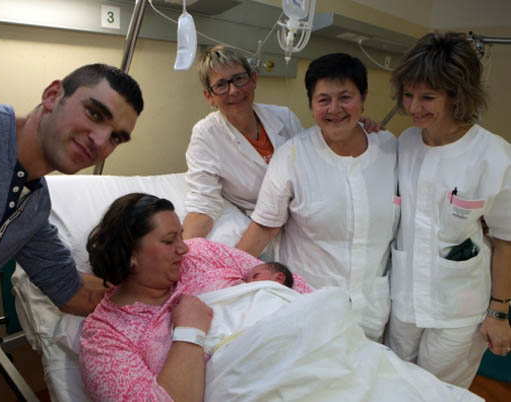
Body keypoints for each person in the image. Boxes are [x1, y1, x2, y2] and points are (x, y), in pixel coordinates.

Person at [0, 64, 143, 400]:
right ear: (52, 96)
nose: (100, 141)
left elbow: (73, 292)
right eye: (95, 113)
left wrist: (160, 289)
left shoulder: (33, 210)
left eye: (115, 137)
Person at [79, 193, 310, 402]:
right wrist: (189, 332)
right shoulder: (105, 337)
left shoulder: (202, 252)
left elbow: (287, 286)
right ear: (130, 253)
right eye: (169, 241)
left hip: (303, 355)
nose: (184, 249)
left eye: (181, 236)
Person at [237, 53, 399, 341]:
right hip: (308, 308)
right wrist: (224, 279)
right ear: (311, 106)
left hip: (370, 310)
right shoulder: (293, 156)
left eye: (345, 97)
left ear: (363, 99)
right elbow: (263, 227)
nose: (334, 109)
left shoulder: (390, 148)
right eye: (323, 99)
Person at [385, 32, 511, 388]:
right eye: (408, 94)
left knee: (440, 393)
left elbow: (506, 241)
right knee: (395, 386)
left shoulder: (493, 155)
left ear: (457, 95)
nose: (414, 107)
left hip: (459, 309)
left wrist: (499, 313)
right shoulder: (405, 143)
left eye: (428, 97)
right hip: (404, 300)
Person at [183, 45, 381, 245]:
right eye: (221, 85)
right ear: (209, 96)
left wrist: (352, 126)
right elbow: (204, 202)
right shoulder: (206, 135)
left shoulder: (283, 116)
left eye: (239, 78)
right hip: (260, 226)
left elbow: (313, 155)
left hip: (305, 217)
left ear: (254, 79)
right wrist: (183, 251)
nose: (233, 90)